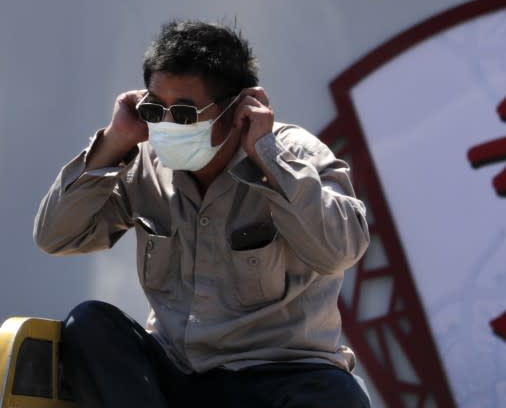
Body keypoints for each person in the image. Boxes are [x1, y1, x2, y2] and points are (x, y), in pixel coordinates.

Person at [33, 20, 372, 408]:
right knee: (90, 324)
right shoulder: (143, 160)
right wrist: (114, 141)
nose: (166, 124)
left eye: (184, 113)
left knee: (336, 396)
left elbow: (340, 251)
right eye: (154, 109)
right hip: (176, 374)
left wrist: (270, 160)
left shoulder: (296, 156)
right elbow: (55, 236)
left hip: (276, 376)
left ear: (238, 109)